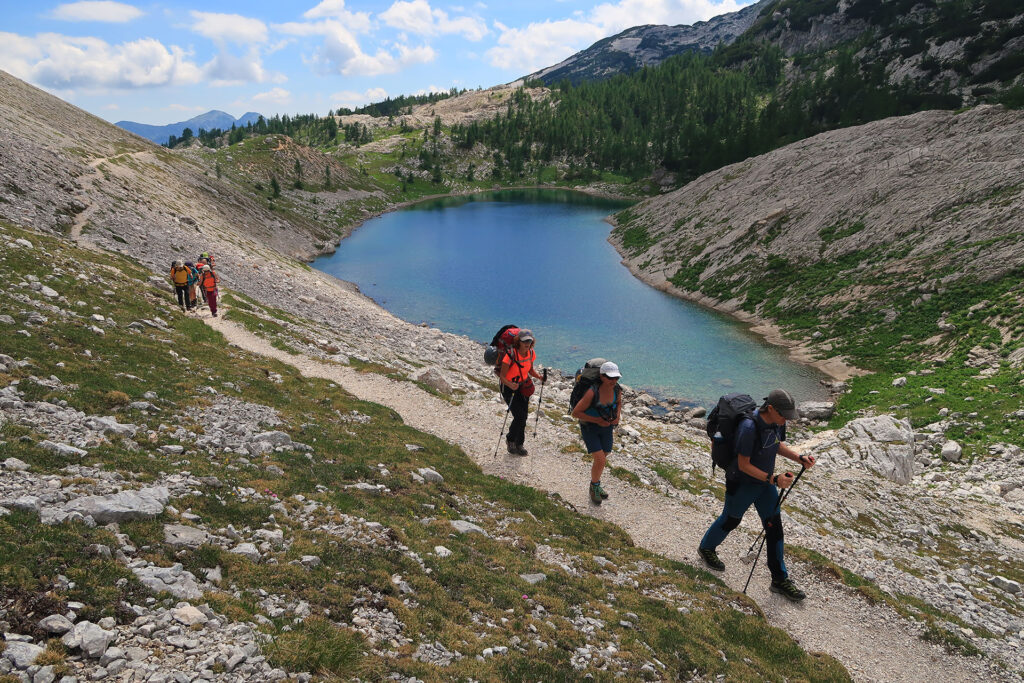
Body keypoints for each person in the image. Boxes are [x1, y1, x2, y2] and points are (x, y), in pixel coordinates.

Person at [697, 389, 816, 601]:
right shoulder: (748, 427)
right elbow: (743, 465)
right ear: (770, 408)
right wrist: (774, 479)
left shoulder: (776, 422)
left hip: (765, 484)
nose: (785, 420)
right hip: (742, 483)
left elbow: (776, 444)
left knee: (775, 529)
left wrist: (799, 458)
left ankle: (779, 579)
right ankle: (706, 548)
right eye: (783, 415)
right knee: (731, 520)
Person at [571, 361, 623, 505]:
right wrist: (597, 420)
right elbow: (576, 413)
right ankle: (594, 487)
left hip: (607, 427)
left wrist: (617, 417)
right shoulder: (592, 392)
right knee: (600, 459)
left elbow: (618, 403)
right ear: (602, 376)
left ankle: (595, 484)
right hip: (590, 427)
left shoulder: (617, 389)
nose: (613, 381)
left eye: (616, 378)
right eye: (610, 378)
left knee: (605, 454)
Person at [498, 329, 544, 455]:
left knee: (523, 417)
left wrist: (539, 376)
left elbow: (530, 370)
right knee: (519, 416)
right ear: (519, 341)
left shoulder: (531, 353)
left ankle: (519, 444)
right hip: (509, 388)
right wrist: (510, 384)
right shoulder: (510, 355)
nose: (527, 343)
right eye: (524, 341)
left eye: (529, 341)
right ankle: (510, 439)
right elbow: (502, 376)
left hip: (523, 387)